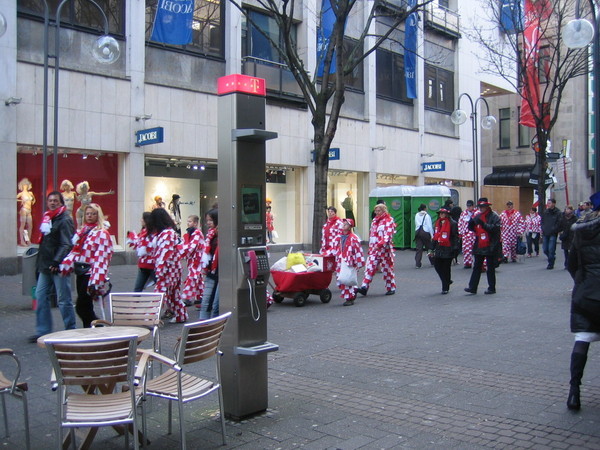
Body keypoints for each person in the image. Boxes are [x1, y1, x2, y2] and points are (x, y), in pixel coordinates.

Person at [565, 191, 600, 411]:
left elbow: (571, 263)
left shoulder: (581, 232)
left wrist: (582, 282)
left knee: (583, 338)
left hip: (587, 293)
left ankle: (574, 391)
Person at [29, 191, 76, 343]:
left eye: (56, 200)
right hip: (45, 265)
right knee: (41, 296)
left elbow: (67, 243)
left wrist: (57, 261)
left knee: (63, 299)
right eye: (50, 200)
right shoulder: (47, 218)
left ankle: (70, 329)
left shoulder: (64, 220)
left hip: (59, 265)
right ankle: (43, 331)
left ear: (61, 203)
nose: (53, 202)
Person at [60, 203, 113, 328]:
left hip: (91, 273)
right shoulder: (82, 231)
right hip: (81, 271)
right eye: (88, 214)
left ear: (98, 215)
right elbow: (76, 251)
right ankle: (89, 330)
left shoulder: (101, 233)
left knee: (81, 306)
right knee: (85, 306)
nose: (90, 216)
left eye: (93, 214)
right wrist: (66, 264)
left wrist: (98, 277)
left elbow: (102, 257)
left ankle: (99, 326)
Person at [148, 208, 186, 323]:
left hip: (168, 271)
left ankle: (151, 317)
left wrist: (161, 270)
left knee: (160, 293)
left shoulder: (167, 234)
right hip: (171, 269)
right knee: (173, 295)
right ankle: (180, 315)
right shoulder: (167, 233)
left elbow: (165, 254)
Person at [357, 203, 396, 297]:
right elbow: (372, 235)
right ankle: (364, 287)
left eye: (379, 211)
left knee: (387, 269)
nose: (377, 212)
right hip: (374, 249)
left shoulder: (389, 220)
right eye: (376, 211)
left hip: (385, 250)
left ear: (384, 211)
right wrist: (371, 248)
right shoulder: (374, 221)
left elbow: (388, 235)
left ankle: (391, 288)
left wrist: (380, 244)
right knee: (369, 267)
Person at [464, 197, 501, 295]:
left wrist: (483, 224)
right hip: (480, 244)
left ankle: (492, 288)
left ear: (487, 207)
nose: (481, 208)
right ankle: (472, 287)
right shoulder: (478, 216)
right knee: (477, 267)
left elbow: (495, 229)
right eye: (480, 207)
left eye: (483, 206)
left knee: (490, 267)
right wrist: (471, 224)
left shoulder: (494, 216)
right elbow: (473, 229)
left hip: (490, 244)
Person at [332, 218, 365, 306]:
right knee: (342, 278)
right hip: (341, 260)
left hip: (349, 261)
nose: (343, 225)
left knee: (347, 279)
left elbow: (358, 251)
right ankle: (352, 293)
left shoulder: (354, 238)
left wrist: (359, 262)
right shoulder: (339, 237)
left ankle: (349, 298)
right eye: (343, 224)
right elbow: (334, 249)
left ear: (350, 227)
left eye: (346, 224)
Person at [432, 208, 460, 294]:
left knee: (446, 268)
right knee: (437, 265)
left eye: (443, 213)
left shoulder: (452, 223)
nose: (441, 215)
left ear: (447, 214)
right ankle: (447, 280)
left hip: (448, 248)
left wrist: (455, 248)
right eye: (440, 213)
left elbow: (455, 237)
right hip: (439, 247)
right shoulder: (438, 223)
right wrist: (431, 247)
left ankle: (445, 287)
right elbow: (435, 235)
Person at [180, 215, 205, 307]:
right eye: (188, 221)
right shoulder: (189, 233)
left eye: (190, 221)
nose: (188, 223)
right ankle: (200, 297)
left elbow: (191, 247)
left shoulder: (197, 233)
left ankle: (187, 297)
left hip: (197, 259)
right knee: (197, 278)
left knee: (192, 277)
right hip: (192, 259)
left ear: (195, 223)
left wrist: (181, 250)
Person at [127, 212, 156, 292]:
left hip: (152, 265)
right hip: (143, 265)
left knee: (160, 285)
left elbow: (150, 247)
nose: (141, 220)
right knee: (137, 288)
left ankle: (164, 301)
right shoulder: (143, 232)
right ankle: (135, 303)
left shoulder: (154, 233)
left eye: (142, 219)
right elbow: (140, 246)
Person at [200, 209, 219, 320]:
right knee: (206, 302)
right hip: (211, 273)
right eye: (207, 220)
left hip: (219, 273)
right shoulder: (210, 235)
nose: (208, 223)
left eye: (210, 220)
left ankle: (212, 329)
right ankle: (203, 326)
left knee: (215, 305)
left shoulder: (218, 237)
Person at [541, 198, 562, 270]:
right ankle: (552, 257)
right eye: (548, 203)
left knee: (551, 249)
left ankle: (551, 262)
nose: (548, 204)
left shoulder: (558, 212)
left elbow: (559, 223)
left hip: (553, 233)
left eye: (549, 203)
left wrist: (554, 229)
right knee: (545, 249)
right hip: (545, 232)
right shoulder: (545, 212)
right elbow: (542, 221)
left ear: (553, 204)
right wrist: (543, 228)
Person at [17, 177, 35, 246]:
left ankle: (28, 240)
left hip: (29, 210)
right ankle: (22, 241)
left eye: (26, 185)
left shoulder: (30, 193)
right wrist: (21, 201)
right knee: (23, 225)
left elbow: (34, 200)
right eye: (24, 185)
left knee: (30, 225)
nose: (25, 186)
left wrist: (32, 201)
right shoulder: (21, 194)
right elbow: (14, 199)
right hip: (24, 209)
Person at [414, 203, 433, 269]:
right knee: (429, 247)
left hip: (418, 232)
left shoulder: (416, 215)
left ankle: (418, 264)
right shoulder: (427, 216)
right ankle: (432, 261)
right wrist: (432, 235)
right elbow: (429, 226)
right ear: (425, 208)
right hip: (425, 232)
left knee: (419, 248)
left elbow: (416, 224)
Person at [458, 200, 477, 268]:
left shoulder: (476, 213)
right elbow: (460, 223)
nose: (469, 207)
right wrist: (460, 233)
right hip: (466, 234)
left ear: (473, 206)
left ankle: (479, 264)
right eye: (468, 206)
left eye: (470, 206)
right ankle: (467, 263)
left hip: (475, 234)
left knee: (477, 250)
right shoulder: (463, 213)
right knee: (466, 249)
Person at [559, 205, 577, 269]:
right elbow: (560, 226)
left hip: (572, 236)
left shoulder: (575, 218)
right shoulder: (562, 218)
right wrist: (560, 232)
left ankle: (571, 263)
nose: (567, 210)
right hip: (565, 237)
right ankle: (566, 263)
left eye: (569, 209)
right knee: (566, 251)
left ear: (571, 210)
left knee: (571, 251)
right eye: (566, 209)